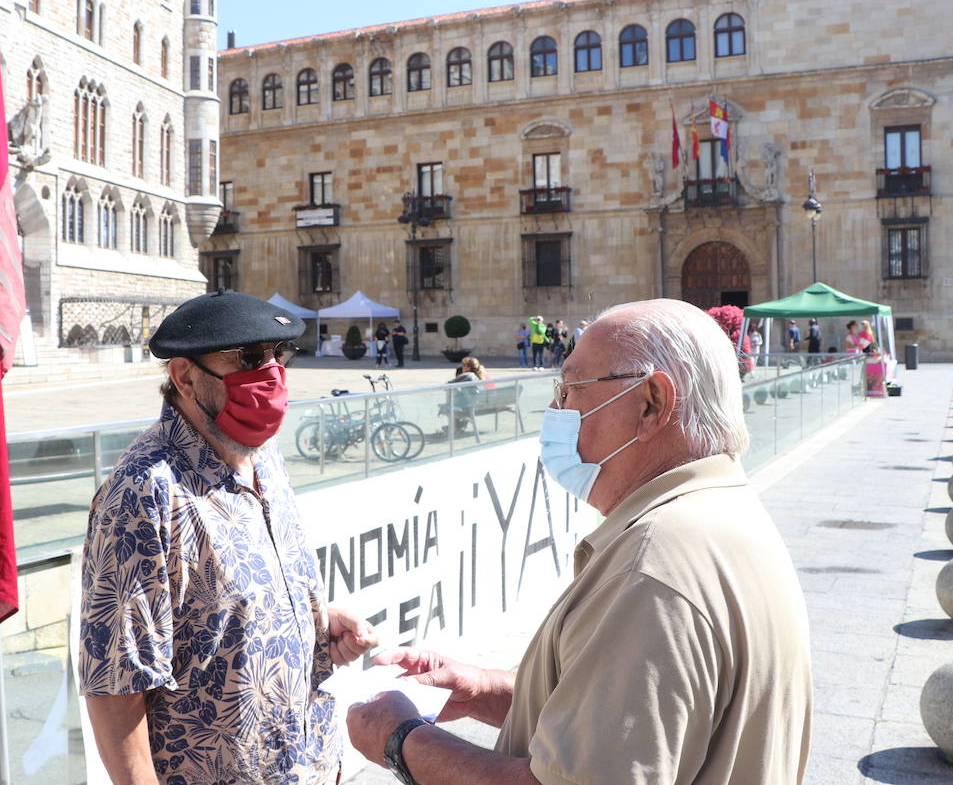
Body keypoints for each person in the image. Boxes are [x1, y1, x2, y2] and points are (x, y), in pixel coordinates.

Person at [347, 299, 812, 784]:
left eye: (571, 388)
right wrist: (484, 691)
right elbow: (632, 719)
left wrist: (401, 739)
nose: (555, 409)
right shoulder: (720, 510)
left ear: (652, 402)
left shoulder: (652, 569)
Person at [79, 289, 378, 785]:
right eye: (247, 358)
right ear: (185, 376)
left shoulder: (265, 455)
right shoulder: (145, 492)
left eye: (278, 355)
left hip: (310, 764)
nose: (271, 373)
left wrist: (318, 621)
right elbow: (117, 683)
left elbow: (226, 600)